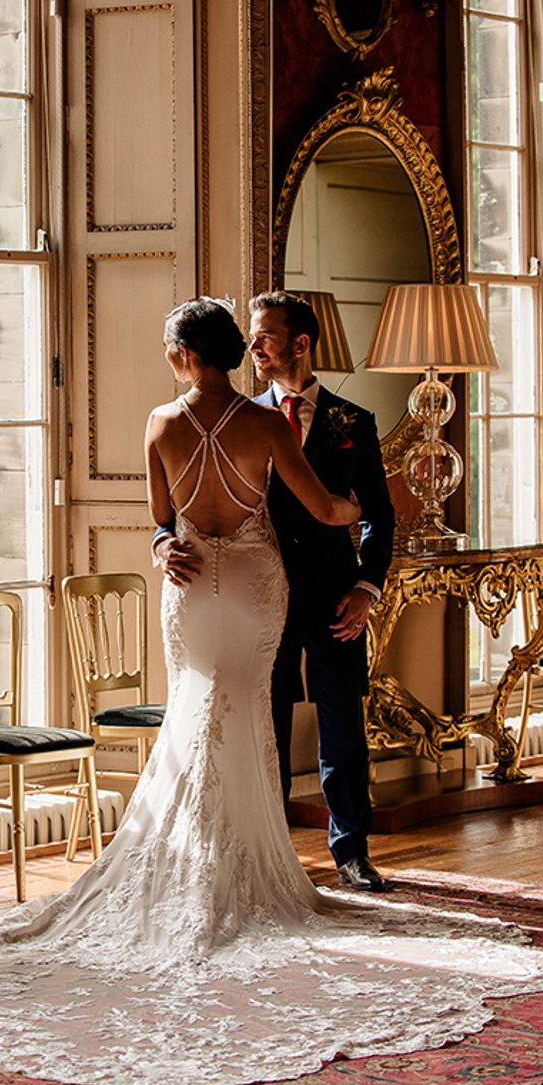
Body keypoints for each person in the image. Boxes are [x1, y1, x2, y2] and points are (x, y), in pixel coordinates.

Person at [0, 300, 543, 1085]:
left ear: (180, 355)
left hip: (194, 589)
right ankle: (247, 870)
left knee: (202, 715)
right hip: (256, 585)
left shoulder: (159, 423)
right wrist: (366, 506)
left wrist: (176, 543)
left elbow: (161, 521)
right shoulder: (265, 426)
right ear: (237, 353)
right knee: (243, 717)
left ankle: (242, 860)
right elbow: (325, 507)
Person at [155, 291, 395, 892]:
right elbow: (169, 518)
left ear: (301, 343)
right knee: (267, 725)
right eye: (250, 336)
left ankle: (352, 853)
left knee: (344, 723)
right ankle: (273, 854)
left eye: (265, 335)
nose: (254, 345)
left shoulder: (353, 423)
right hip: (259, 597)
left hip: (336, 597)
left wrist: (366, 586)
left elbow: (380, 518)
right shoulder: (244, 415)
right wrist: (164, 547)